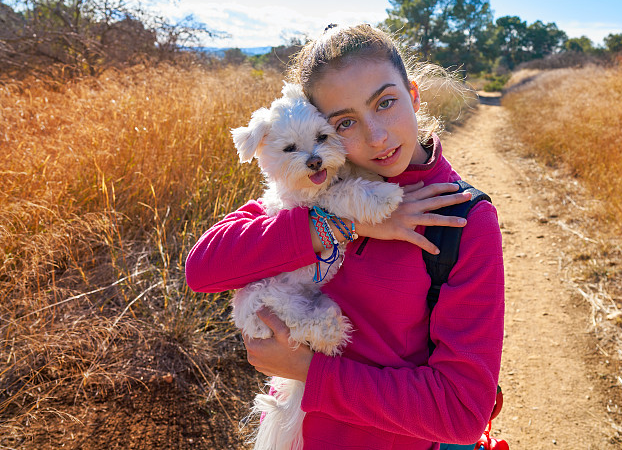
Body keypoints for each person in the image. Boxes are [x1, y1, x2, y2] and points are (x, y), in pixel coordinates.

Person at [185, 24, 505, 449]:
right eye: (346, 122)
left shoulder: (463, 219)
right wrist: (338, 224)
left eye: (386, 103)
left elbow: (461, 413)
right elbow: (203, 270)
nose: (376, 136)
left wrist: (309, 371)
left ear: (413, 95)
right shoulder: (317, 187)